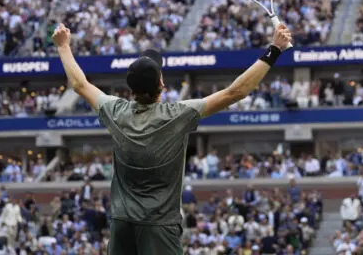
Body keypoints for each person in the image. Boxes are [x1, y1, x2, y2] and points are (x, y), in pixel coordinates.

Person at [52, 22, 292, 255]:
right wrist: (274, 50)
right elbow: (235, 92)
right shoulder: (177, 115)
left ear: (131, 90)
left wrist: (63, 46)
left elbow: (80, 84)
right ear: (161, 83)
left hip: (122, 223)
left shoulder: (115, 112)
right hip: (160, 225)